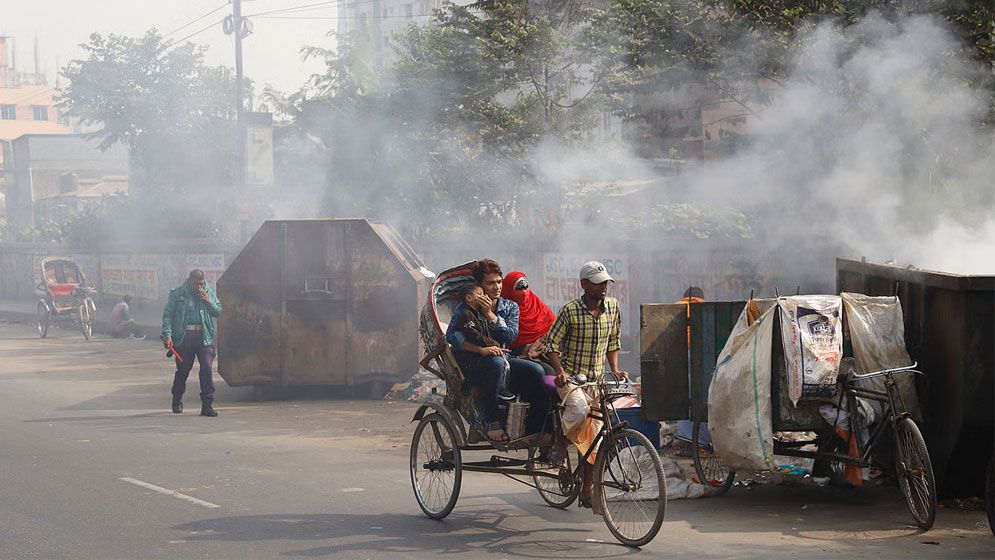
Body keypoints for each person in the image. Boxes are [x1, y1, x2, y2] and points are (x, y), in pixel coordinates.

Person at [547, 260, 627, 508]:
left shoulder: (613, 307)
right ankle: (560, 443)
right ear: (584, 285)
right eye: (597, 283)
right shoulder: (570, 311)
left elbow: (613, 342)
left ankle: (587, 488)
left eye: (605, 283)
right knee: (579, 409)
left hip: (597, 380)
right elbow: (551, 344)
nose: (603, 287)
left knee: (597, 439)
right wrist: (560, 372)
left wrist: (615, 369)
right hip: (571, 379)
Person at [161, 269, 223, 417]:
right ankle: (177, 399)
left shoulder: (208, 291)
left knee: (207, 368)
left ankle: (207, 404)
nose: (200, 287)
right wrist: (168, 335)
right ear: (190, 281)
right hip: (185, 337)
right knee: (183, 370)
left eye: (202, 283)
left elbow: (218, 311)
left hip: (204, 336)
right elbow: (168, 315)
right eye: (197, 284)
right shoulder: (178, 293)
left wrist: (208, 301)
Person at [449, 283, 515, 401]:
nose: (484, 297)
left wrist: (489, 313)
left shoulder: (484, 311)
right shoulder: (464, 313)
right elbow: (472, 335)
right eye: (480, 294)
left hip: (490, 353)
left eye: (499, 282)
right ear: (469, 298)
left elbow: (509, 335)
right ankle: (489, 404)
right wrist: (491, 344)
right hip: (470, 357)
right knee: (497, 364)